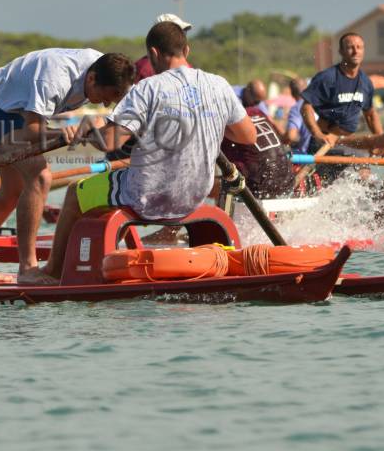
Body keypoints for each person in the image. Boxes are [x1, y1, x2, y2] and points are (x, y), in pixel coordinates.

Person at [21, 20, 257, 284]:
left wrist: (88, 127)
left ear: (153, 54)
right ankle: (112, 258)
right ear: (186, 51)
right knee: (109, 188)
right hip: (195, 194)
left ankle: (52, 272)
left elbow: (109, 142)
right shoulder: (219, 85)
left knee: (75, 193)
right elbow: (248, 136)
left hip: (147, 196)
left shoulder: (147, 89)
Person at [0, 48, 135, 282]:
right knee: (40, 176)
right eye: (105, 96)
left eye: (112, 99)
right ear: (91, 78)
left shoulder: (112, 69)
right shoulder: (52, 78)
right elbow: (33, 131)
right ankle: (28, 269)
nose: (105, 104)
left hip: (20, 111)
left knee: (12, 191)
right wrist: (63, 134)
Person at [300, 33, 383, 184]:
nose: (355, 51)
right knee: (344, 180)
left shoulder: (365, 82)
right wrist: (318, 134)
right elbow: (305, 108)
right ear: (341, 51)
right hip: (326, 143)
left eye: (359, 47)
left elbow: (370, 114)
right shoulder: (327, 78)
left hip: (348, 142)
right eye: (350, 47)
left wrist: (382, 141)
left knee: (366, 177)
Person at [220, 80, 294, 198]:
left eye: (259, 101)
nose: (257, 103)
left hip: (263, 186)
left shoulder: (253, 110)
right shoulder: (253, 110)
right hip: (288, 181)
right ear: (248, 92)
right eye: (256, 101)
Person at [133, 13, 192, 82]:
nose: (181, 36)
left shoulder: (188, 68)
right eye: (176, 32)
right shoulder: (144, 69)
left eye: (184, 32)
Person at [285, 78, 312, 154]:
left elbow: (291, 136)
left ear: (292, 93)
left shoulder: (296, 108)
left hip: (309, 157)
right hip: (326, 150)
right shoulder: (319, 102)